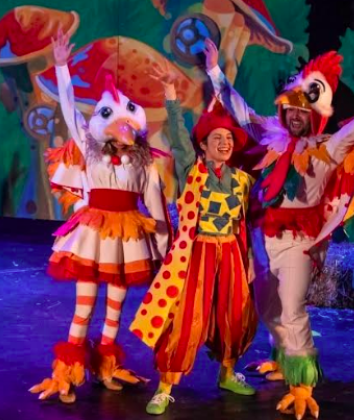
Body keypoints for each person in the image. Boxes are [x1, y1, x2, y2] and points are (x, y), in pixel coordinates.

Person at [203, 39, 354, 419]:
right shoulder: (272, 139)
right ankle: (283, 357)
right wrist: (214, 71)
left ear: (315, 116)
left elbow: (352, 134)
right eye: (289, 109)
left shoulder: (326, 148)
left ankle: (302, 384)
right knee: (267, 307)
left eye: (302, 112)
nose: (293, 116)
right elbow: (242, 112)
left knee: (291, 307)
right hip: (265, 236)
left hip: (301, 240)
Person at [29, 28, 171, 404]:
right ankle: (67, 372)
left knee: (116, 306)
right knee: (85, 304)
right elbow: (69, 109)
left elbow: (156, 209)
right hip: (95, 233)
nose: (122, 127)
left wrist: (162, 250)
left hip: (129, 237)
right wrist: (61, 67)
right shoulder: (90, 148)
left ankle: (107, 365)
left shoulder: (145, 163)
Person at [128, 61, 259, 416]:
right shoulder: (192, 171)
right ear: (203, 146)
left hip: (230, 252)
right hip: (196, 254)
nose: (225, 143)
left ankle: (227, 374)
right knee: (186, 318)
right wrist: (171, 96)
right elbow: (177, 136)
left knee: (234, 314)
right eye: (217, 138)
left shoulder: (241, 180)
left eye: (228, 139)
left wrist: (249, 259)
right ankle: (165, 387)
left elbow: (244, 224)